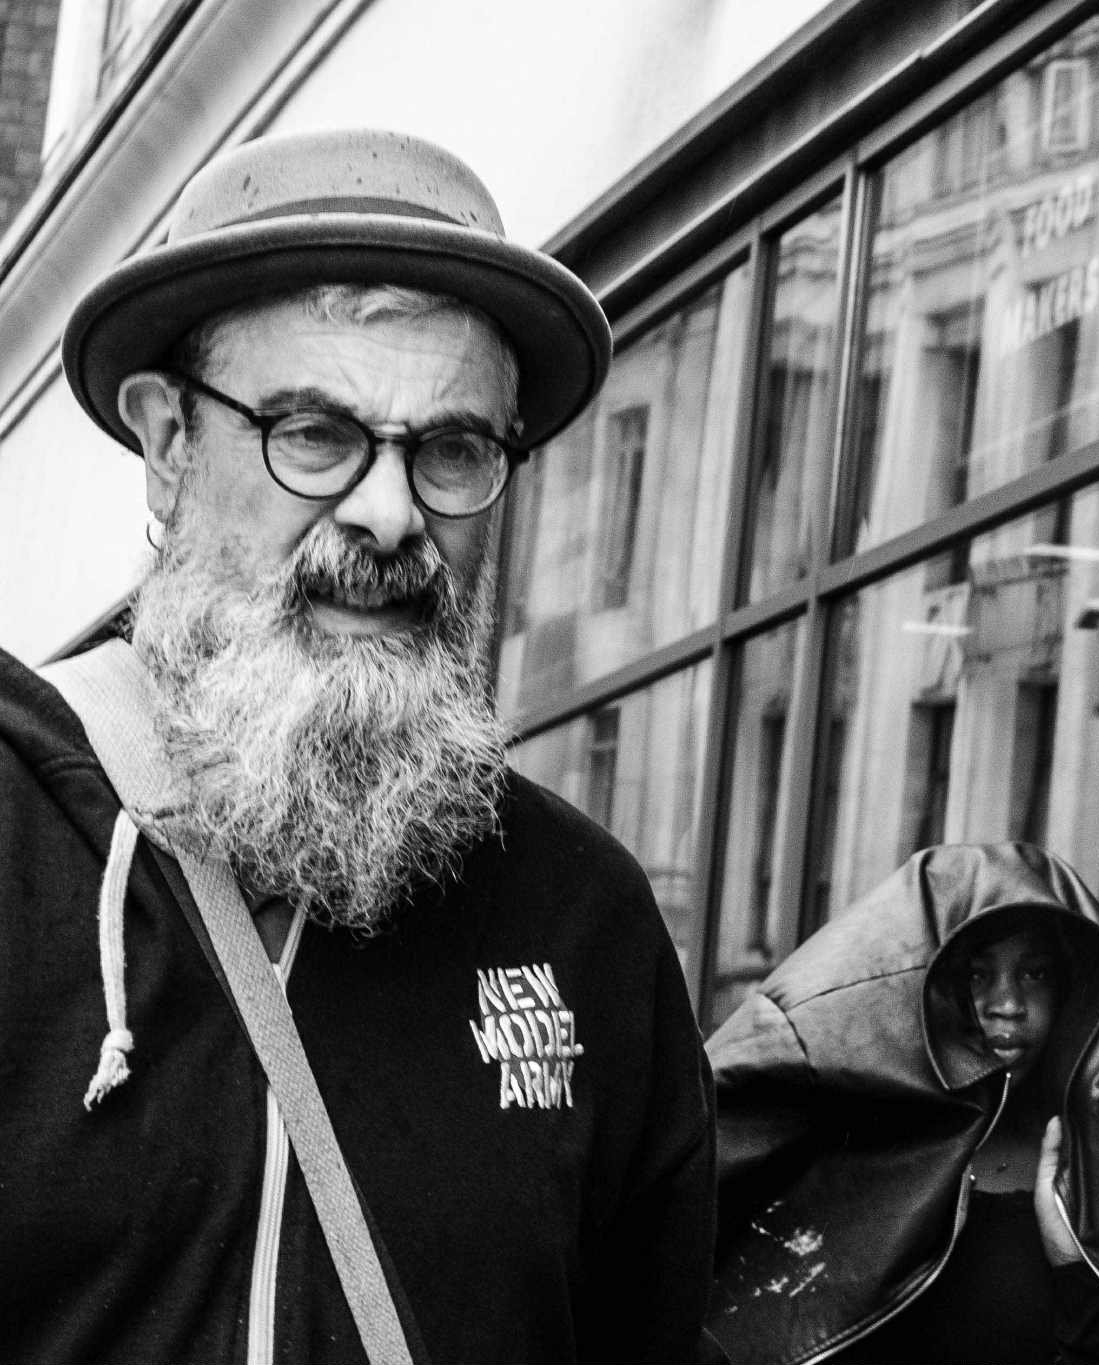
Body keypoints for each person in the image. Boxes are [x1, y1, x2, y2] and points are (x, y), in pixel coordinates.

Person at [0, 129, 715, 1362]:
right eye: (315, 435)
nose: (390, 514)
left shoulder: (583, 919)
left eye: (452, 451)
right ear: (169, 446)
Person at [707, 842, 1099, 1365]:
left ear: (1071, 988)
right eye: (976, 976)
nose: (1007, 1004)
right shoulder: (852, 1155)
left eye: (1034, 974)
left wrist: (1075, 1265)